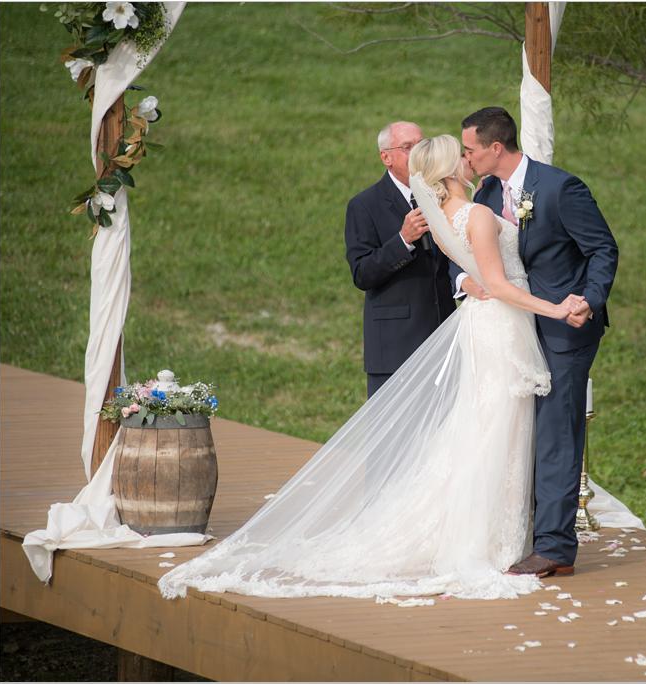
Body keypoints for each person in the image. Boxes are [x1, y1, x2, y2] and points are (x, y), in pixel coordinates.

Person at [158, 135, 598, 602]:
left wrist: (469, 279)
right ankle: (489, 541)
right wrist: (556, 308)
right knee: (495, 432)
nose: (470, 161)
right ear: (452, 168)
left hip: (483, 326)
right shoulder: (480, 214)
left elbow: (470, 271)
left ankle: (489, 534)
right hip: (501, 326)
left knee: (482, 429)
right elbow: (498, 284)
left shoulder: (444, 217)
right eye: (463, 155)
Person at [457, 107, 618, 579]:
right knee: (516, 430)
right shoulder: (486, 191)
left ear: (495, 148)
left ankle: (554, 548)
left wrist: (590, 298)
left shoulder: (560, 188)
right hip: (513, 330)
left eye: (470, 149)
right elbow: (469, 250)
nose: (466, 158)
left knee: (556, 435)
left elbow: (602, 248)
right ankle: (524, 531)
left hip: (564, 328)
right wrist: (466, 280)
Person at [344, 121, 457, 398]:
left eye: (422, 145)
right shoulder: (364, 205)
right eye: (408, 147)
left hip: (444, 337)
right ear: (386, 157)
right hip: (395, 345)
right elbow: (362, 273)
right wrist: (403, 240)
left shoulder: (444, 196)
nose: (419, 153)